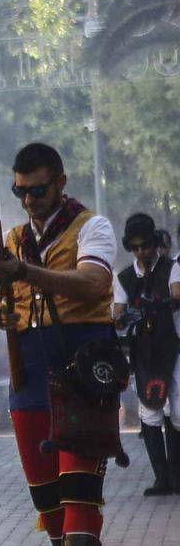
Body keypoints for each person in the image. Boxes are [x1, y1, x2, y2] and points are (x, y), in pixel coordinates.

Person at [0, 142, 119, 546]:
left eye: (37, 190)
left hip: (82, 372)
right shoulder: (8, 240)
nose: (29, 200)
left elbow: (93, 285)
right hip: (29, 376)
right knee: (47, 497)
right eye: (20, 191)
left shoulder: (92, 227)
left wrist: (28, 274)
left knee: (80, 487)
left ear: (59, 182)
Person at [111, 212, 178, 497]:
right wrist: (123, 318)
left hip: (173, 347)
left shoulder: (172, 268)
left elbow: (176, 296)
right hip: (145, 352)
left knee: (177, 411)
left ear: (154, 244)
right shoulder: (124, 277)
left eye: (146, 246)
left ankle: (176, 477)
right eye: (136, 247)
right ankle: (162, 479)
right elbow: (117, 313)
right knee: (149, 411)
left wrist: (159, 304)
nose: (142, 252)